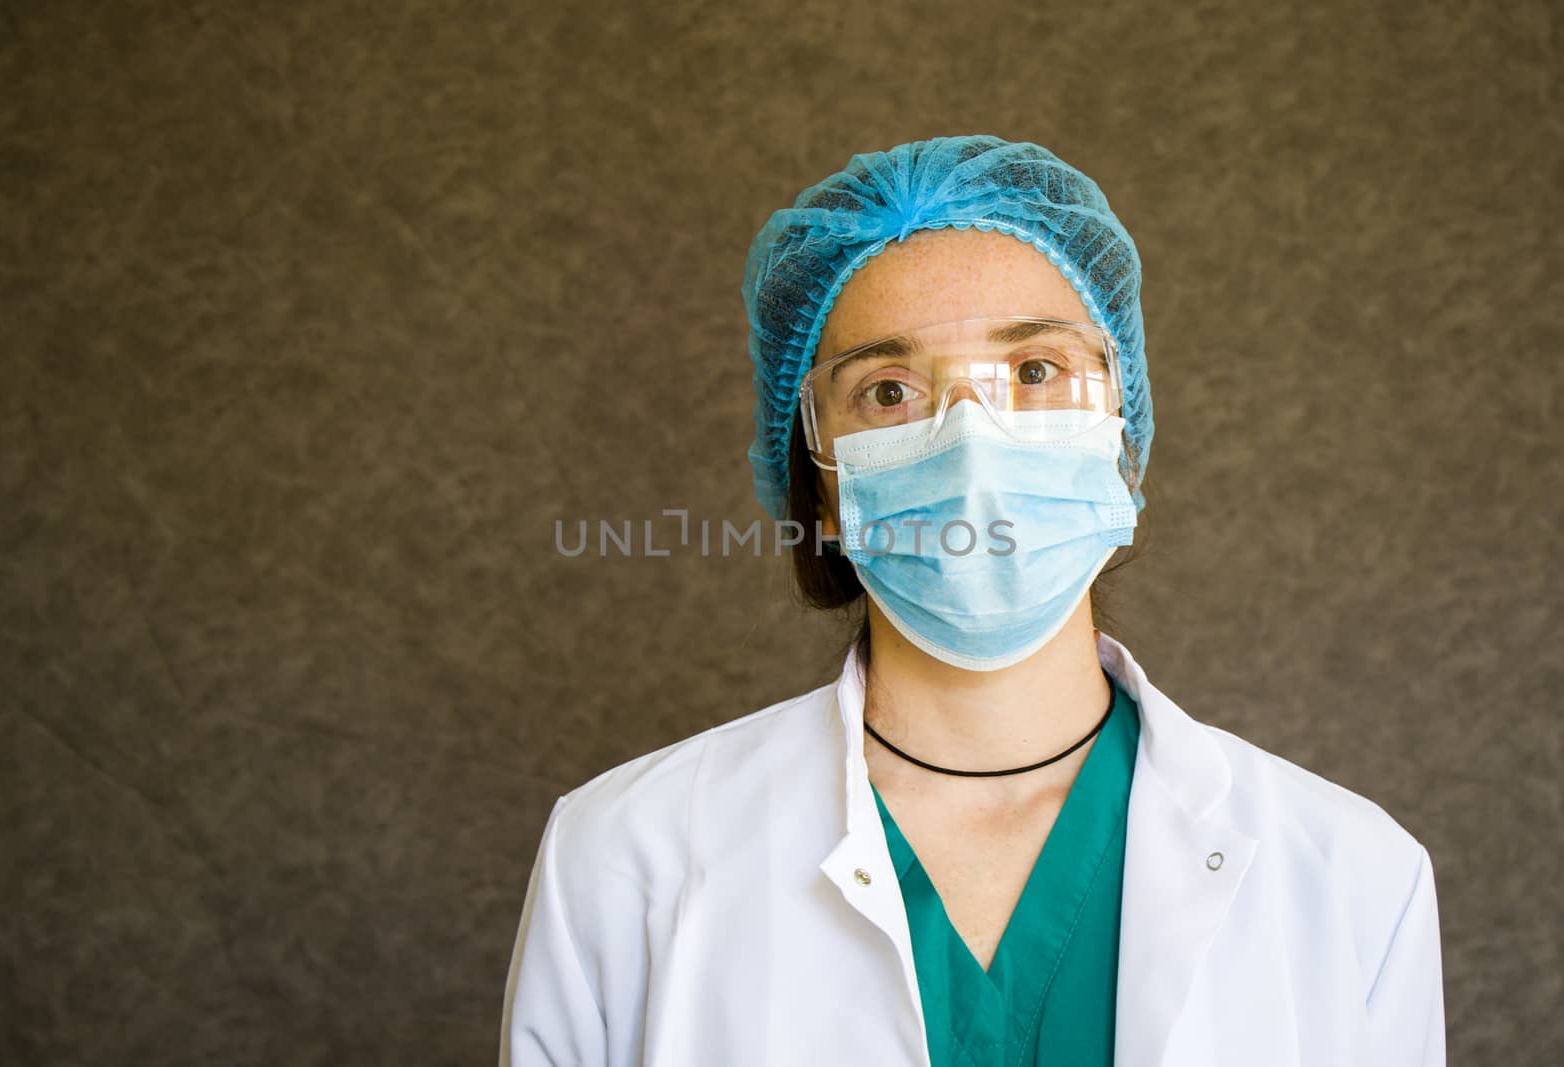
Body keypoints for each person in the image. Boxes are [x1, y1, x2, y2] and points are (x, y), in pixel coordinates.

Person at [500, 135, 1445, 1066]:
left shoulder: (1349, 873)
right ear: (820, 480)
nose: (972, 444)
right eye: (889, 390)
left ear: (1120, 431)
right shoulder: (624, 860)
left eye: (1035, 372)